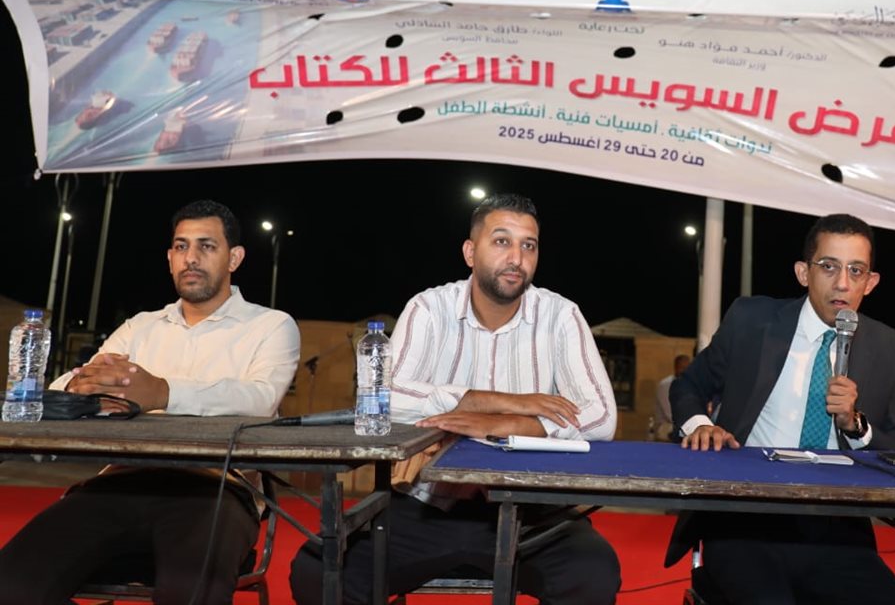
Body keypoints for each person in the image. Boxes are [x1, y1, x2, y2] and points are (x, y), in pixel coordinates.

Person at [289, 193, 621, 605]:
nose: (516, 258)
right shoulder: (429, 308)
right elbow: (383, 398)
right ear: (470, 251)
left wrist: (514, 425)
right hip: (426, 506)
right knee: (317, 570)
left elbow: (602, 416)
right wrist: (487, 401)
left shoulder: (561, 316)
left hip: (533, 513)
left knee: (593, 575)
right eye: (502, 241)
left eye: (529, 245)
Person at [0, 199, 300, 605]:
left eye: (207, 246)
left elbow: (260, 399)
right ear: (169, 258)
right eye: (181, 246)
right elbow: (68, 384)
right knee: (12, 584)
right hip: (118, 483)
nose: (190, 258)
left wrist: (162, 392)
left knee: (190, 591)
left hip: (217, 490)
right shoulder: (140, 327)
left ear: (235, 258)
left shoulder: (270, 326)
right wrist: (83, 389)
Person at [665, 213, 895, 605]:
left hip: (838, 533)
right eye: (828, 266)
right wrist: (700, 425)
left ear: (871, 282)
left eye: (856, 270)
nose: (842, 283)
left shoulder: (886, 346)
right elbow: (689, 386)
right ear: (803, 272)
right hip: (745, 521)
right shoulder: (752, 321)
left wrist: (856, 425)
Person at [653, 354, 691, 440]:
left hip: (683, 423)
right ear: (675, 368)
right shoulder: (665, 385)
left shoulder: (688, 385)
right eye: (682, 368)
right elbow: (669, 414)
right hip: (665, 426)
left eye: (687, 368)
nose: (685, 371)